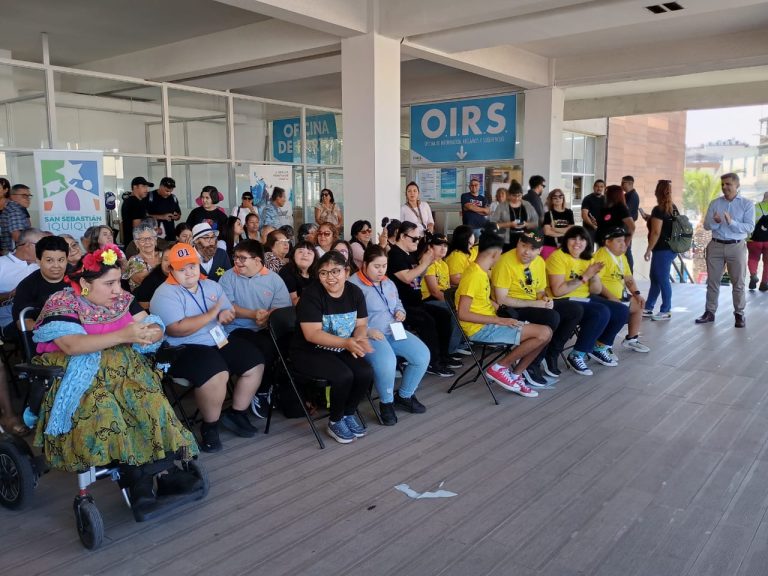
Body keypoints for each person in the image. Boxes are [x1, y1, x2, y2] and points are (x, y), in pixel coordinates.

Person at [32, 243, 199, 507]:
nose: (118, 290)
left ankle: (164, 471)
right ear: (85, 284)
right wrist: (124, 335)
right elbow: (72, 345)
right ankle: (137, 479)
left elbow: (150, 323)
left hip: (125, 369)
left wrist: (152, 332)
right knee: (107, 411)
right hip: (80, 375)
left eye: (119, 282)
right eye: (109, 284)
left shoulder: (122, 300)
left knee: (150, 402)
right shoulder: (63, 302)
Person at [151, 243, 265, 452]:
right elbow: (177, 329)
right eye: (182, 269)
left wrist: (225, 315)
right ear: (171, 270)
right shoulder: (164, 293)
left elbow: (228, 311)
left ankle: (237, 413)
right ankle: (210, 426)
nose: (189, 272)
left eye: (192, 266)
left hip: (218, 340)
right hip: (183, 347)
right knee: (216, 373)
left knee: (254, 360)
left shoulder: (211, 285)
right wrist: (211, 314)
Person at [290, 251, 374, 444]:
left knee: (365, 372)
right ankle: (335, 421)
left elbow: (361, 324)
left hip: (340, 347)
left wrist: (359, 339)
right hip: (308, 350)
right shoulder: (311, 295)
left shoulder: (355, 292)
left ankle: (348, 413)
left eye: (336, 271)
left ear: (346, 271)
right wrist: (347, 343)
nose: (330, 277)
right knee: (343, 375)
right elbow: (312, 334)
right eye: (324, 273)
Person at [456, 231, 551, 397]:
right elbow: (463, 314)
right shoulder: (474, 276)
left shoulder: (480, 272)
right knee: (543, 333)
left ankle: (515, 375)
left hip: (490, 323)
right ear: (495, 253)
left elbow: (481, 302)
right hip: (480, 329)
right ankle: (500, 367)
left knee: (546, 333)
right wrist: (500, 321)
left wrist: (501, 314)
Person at [350, 245, 430, 426]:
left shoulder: (388, 282)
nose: (381, 271)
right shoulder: (353, 285)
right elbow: (347, 317)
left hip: (393, 330)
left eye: (384, 266)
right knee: (387, 363)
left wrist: (401, 312)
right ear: (365, 264)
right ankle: (386, 403)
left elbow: (397, 303)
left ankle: (405, 396)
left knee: (422, 355)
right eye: (376, 266)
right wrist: (367, 330)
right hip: (370, 335)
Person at [491, 231, 583, 383]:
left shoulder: (539, 262)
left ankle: (551, 353)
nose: (526, 251)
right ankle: (531, 364)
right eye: (523, 245)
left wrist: (545, 299)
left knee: (574, 310)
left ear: (540, 250)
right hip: (509, 310)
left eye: (533, 248)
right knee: (551, 317)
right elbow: (502, 300)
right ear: (517, 244)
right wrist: (535, 303)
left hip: (533, 304)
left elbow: (540, 291)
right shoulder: (505, 262)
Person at [219, 239, 291, 420]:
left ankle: (267, 387)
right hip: (235, 329)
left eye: (242, 258)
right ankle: (261, 390)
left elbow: (281, 308)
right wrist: (254, 314)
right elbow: (227, 307)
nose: (237, 261)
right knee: (262, 347)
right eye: (235, 257)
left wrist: (267, 317)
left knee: (281, 346)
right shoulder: (228, 277)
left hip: (266, 328)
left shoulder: (274, 279)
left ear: (258, 260)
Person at [546, 226, 629, 375]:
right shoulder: (558, 257)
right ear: (566, 240)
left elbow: (595, 290)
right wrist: (585, 276)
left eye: (582, 239)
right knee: (601, 311)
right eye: (573, 238)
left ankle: (599, 347)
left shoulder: (588, 258)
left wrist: (594, 275)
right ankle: (578, 353)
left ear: (587, 242)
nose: (577, 242)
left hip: (584, 298)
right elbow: (557, 291)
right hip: (562, 299)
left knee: (621, 310)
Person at [387, 221, 457, 377]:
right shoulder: (395, 255)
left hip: (416, 302)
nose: (417, 242)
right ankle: (433, 362)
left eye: (418, 239)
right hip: (401, 307)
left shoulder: (409, 254)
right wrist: (424, 263)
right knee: (428, 321)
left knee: (444, 315)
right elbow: (406, 278)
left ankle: (443, 356)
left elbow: (417, 277)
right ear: (402, 236)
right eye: (414, 239)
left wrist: (427, 263)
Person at [696, 173, 754, 328]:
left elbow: (749, 227)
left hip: (736, 246)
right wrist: (716, 222)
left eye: (728, 184)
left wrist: (731, 222)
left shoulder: (747, 204)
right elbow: (707, 226)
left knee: (738, 282)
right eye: (722, 184)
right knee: (712, 281)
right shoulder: (715, 203)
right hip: (715, 245)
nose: (724, 187)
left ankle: (739, 314)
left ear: (737, 185)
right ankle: (709, 312)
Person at [594, 227, 650, 353]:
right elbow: (596, 282)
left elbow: (628, 278)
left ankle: (631, 339)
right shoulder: (601, 256)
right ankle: (602, 345)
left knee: (639, 303)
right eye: (619, 241)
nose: (623, 244)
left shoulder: (621, 256)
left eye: (624, 240)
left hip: (619, 296)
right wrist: (611, 297)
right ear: (607, 242)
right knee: (620, 310)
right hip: (603, 297)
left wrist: (637, 294)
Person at [420, 232, 466, 359]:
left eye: (445, 245)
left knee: (464, 308)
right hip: (428, 300)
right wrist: (454, 304)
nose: (443, 248)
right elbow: (434, 291)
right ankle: (449, 351)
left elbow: (447, 287)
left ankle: (458, 345)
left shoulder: (444, 264)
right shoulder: (428, 263)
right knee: (457, 311)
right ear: (430, 247)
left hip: (443, 297)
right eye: (439, 245)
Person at [13, 235, 70, 331]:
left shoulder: (78, 277)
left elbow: (90, 299)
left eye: (61, 260)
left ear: (67, 260)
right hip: (45, 334)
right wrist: (54, 330)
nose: (56, 265)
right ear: (38, 261)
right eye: (49, 260)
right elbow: (23, 322)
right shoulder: (27, 286)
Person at [643, 180, 678, 320]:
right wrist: (650, 218)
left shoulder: (658, 209)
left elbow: (656, 232)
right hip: (671, 248)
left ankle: (666, 310)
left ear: (657, 192)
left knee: (662, 279)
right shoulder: (673, 208)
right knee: (655, 278)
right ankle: (648, 307)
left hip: (662, 249)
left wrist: (648, 249)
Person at [0, 228, 43, 331]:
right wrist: (11, 294)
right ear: (28, 245)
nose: (45, 249)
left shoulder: (41, 265)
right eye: (42, 245)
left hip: (42, 312)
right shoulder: (2, 263)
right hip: (11, 316)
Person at [491, 180, 538, 248]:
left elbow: (536, 223)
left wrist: (526, 224)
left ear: (522, 194)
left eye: (519, 195)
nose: (517, 198)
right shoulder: (501, 206)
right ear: (509, 194)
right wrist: (509, 224)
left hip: (525, 240)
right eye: (514, 196)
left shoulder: (527, 205)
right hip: (506, 240)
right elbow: (492, 225)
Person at [122, 221, 161, 291]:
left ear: (155, 240)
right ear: (136, 243)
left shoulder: (164, 255)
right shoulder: (134, 261)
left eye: (150, 238)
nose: (147, 242)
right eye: (142, 240)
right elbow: (146, 282)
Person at [279, 241, 316, 305]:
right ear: (293, 256)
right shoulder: (286, 271)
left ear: (314, 258)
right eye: (300, 252)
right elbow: (293, 302)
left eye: (309, 253)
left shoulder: (317, 272)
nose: (305, 255)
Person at [0, 183, 33, 254]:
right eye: (24, 196)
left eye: (29, 196)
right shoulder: (14, 209)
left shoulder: (15, 208)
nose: (27, 199)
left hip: (10, 251)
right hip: (14, 252)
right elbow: (16, 235)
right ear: (12, 196)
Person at [542, 188, 574, 257]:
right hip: (549, 245)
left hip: (565, 246)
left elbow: (571, 230)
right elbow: (547, 232)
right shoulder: (548, 214)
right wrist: (563, 233)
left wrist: (554, 229)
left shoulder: (569, 213)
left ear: (563, 198)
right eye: (555, 197)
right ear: (551, 200)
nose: (558, 199)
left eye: (560, 196)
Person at [121, 176, 152, 247]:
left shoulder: (127, 201)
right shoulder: (136, 203)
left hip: (129, 243)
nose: (146, 190)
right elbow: (137, 227)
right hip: (137, 244)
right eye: (143, 186)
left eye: (146, 187)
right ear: (135, 187)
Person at [747, 190, 768, 292]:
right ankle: (764, 283)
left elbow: (749, 224)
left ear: (764, 197)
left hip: (754, 240)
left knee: (753, 258)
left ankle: (753, 275)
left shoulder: (755, 207)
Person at [621, 175, 640, 270]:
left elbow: (626, 211)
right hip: (624, 226)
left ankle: (629, 272)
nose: (621, 185)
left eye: (623, 183)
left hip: (627, 227)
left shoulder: (633, 196)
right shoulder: (627, 195)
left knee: (626, 249)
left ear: (630, 183)